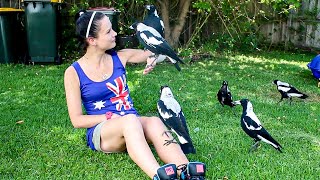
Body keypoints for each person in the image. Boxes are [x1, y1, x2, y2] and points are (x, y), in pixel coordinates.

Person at [64, 10, 206, 180]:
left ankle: (185, 171)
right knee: (130, 120)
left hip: (132, 126)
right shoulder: (73, 72)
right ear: (92, 40)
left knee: (153, 121)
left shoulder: (120, 57)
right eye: (108, 31)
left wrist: (153, 59)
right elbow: (77, 120)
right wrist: (109, 116)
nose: (115, 33)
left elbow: (155, 51)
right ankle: (159, 175)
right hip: (103, 132)